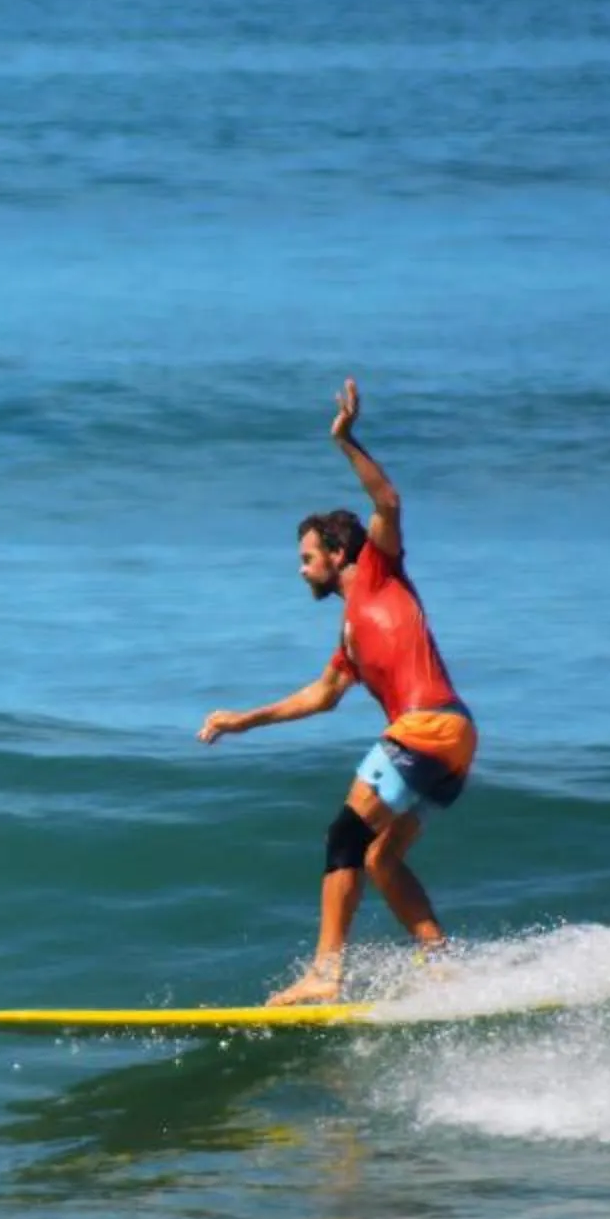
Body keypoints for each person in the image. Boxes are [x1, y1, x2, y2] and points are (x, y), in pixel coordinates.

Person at [198, 380, 476, 1004]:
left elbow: (388, 499)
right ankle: (444, 965)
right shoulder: (350, 635)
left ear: (337, 552)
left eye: (307, 557)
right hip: (456, 739)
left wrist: (346, 440)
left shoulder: (379, 568)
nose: (301, 569)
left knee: (341, 838)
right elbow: (321, 697)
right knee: (379, 859)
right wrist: (242, 721)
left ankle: (325, 974)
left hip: (427, 727)